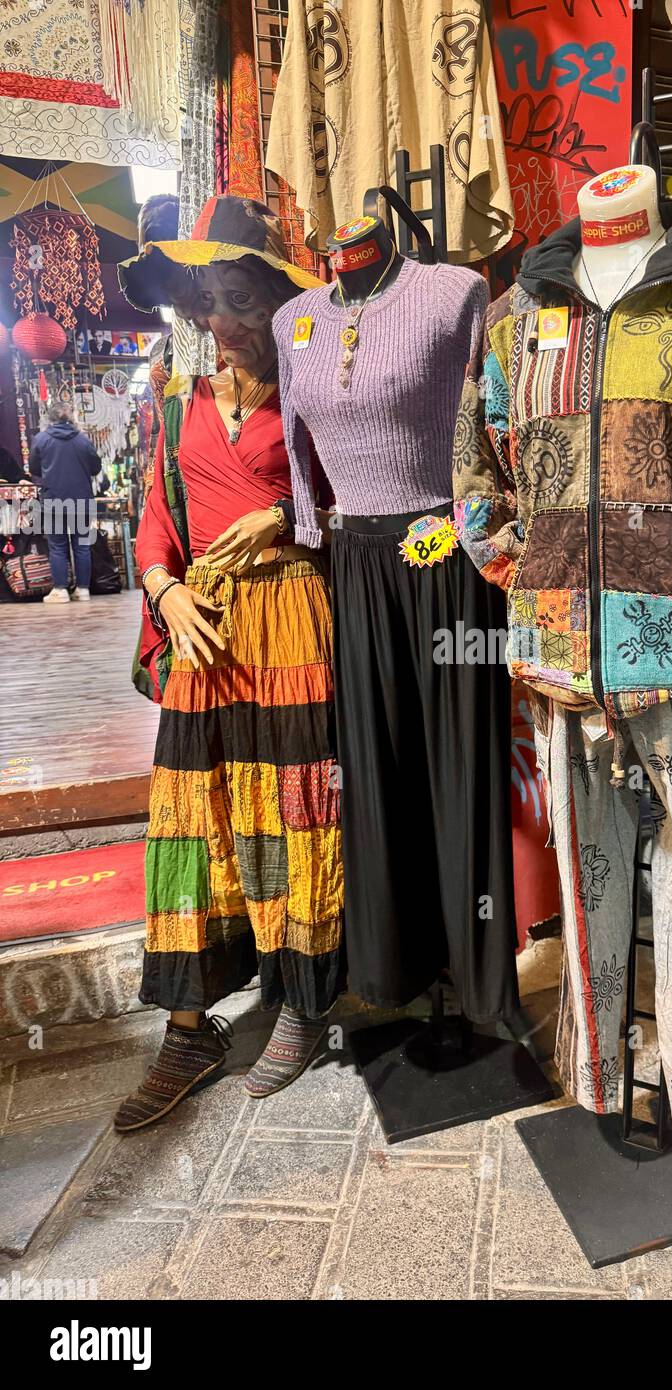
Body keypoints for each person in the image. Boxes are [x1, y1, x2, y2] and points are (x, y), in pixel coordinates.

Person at [112, 195, 344, 1131]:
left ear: (278, 302)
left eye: (242, 298)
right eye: (210, 300)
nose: (225, 321)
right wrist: (165, 594)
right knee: (185, 821)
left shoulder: (316, 397)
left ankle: (302, 1002)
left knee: (294, 811)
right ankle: (187, 1022)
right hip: (202, 630)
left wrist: (286, 517)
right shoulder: (176, 404)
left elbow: (359, 503)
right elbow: (153, 528)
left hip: (292, 621)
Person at [28, 401, 101, 603]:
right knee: (82, 546)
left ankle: (60, 590)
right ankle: (83, 590)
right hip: (82, 499)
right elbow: (96, 468)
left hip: (54, 500)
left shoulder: (41, 439)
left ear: (49, 418)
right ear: (72, 417)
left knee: (58, 547)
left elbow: (34, 469)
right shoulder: (83, 440)